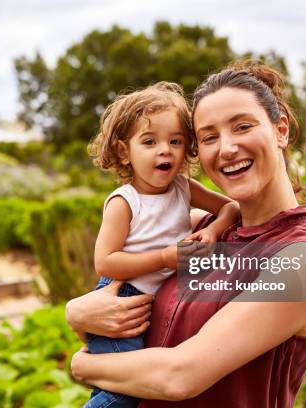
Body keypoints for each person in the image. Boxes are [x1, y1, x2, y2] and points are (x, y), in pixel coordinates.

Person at [66, 61, 306, 407]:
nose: (226, 148)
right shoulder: (197, 229)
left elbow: (180, 376)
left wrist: (82, 364)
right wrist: (77, 312)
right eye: (209, 137)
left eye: (242, 126)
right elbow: (117, 303)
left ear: (280, 130)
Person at [83, 82, 240, 408]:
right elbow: (106, 262)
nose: (164, 150)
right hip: (122, 298)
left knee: (118, 387)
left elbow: (230, 208)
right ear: (125, 152)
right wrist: (166, 258)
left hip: (150, 303)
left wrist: (213, 232)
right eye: (149, 141)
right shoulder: (124, 202)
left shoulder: (183, 187)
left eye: (175, 141)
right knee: (124, 391)